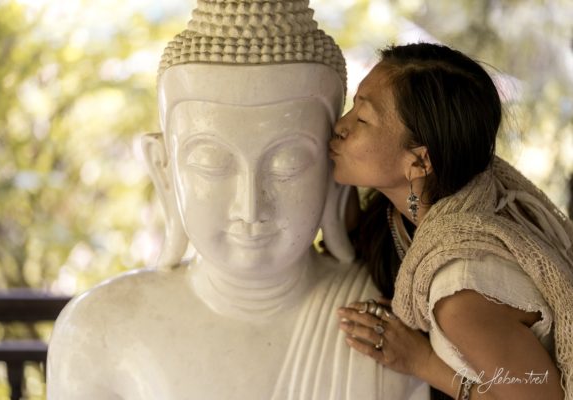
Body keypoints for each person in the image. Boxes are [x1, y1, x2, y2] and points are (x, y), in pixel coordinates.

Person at [46, 2, 428, 399]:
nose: (250, 208)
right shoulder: (97, 331)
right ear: (164, 169)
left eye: (287, 164)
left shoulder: (395, 325)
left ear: (335, 167)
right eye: (212, 163)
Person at [330, 42, 573, 400]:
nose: (340, 126)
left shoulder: (462, 295)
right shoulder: (424, 206)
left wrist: (423, 362)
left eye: (362, 119)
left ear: (419, 162)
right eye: (352, 107)